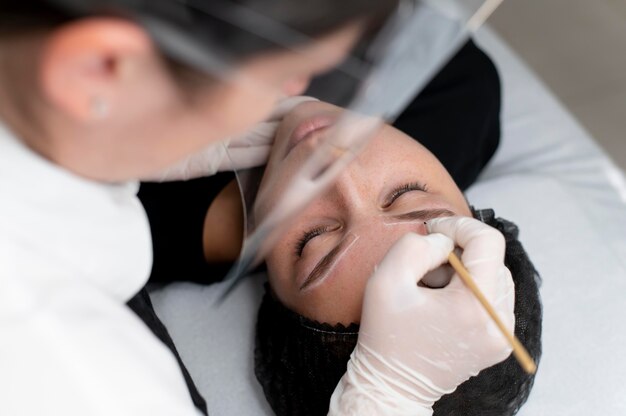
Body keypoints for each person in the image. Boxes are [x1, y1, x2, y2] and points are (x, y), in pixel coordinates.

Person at [0, 1, 403, 415]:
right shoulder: (88, 382)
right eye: (281, 75)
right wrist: (388, 399)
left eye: (317, 237)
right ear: (100, 67)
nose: (343, 173)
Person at [251, 100, 543, 415]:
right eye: (406, 194)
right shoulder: (461, 100)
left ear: (273, 290)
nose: (340, 170)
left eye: (314, 239)